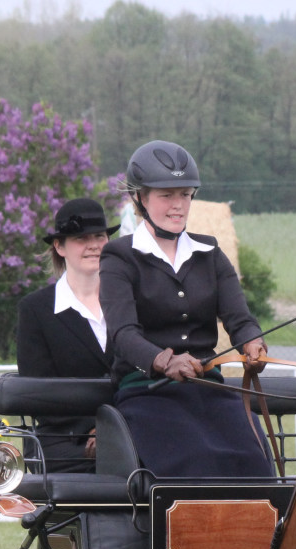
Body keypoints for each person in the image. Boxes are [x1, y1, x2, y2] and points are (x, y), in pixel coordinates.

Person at [99, 140, 274, 479]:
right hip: (147, 393)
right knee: (196, 460)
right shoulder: (119, 257)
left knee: (251, 461)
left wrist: (254, 343)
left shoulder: (210, 253)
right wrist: (164, 361)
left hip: (211, 389)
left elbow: (239, 319)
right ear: (140, 198)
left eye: (185, 194)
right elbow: (122, 333)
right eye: (166, 195)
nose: (178, 205)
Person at [16, 197, 119, 473]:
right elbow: (39, 392)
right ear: (59, 246)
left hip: (130, 429)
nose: (93, 245)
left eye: (99, 236)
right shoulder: (35, 310)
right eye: (81, 238)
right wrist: (92, 429)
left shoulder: (130, 301)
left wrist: (113, 428)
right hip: (64, 441)